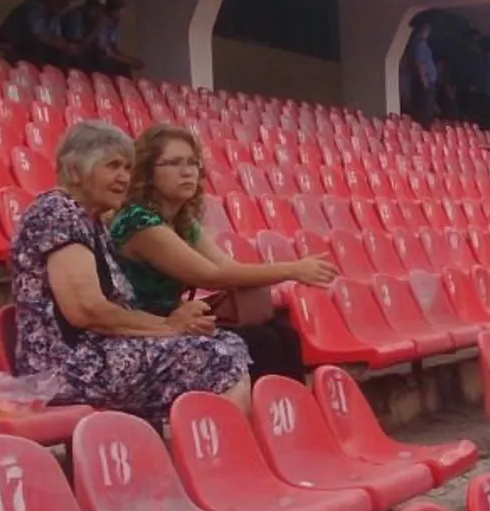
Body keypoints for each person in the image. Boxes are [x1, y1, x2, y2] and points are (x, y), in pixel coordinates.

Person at [9, 121, 252, 425]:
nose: (124, 177)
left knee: (228, 344)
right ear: (73, 171)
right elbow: (86, 310)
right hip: (65, 365)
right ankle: (215, 450)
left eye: (127, 167)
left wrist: (175, 323)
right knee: (217, 358)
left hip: (100, 350)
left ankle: (214, 446)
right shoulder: (56, 214)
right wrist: (169, 326)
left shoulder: (90, 220)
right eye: (112, 166)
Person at [108, 124, 335, 382]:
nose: (187, 172)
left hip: (175, 319)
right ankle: (263, 407)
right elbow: (212, 276)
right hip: (142, 328)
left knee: (285, 335)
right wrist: (293, 270)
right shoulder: (138, 221)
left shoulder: (182, 221)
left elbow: (225, 266)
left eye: (192, 163)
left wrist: (290, 270)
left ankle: (289, 406)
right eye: (173, 163)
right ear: (147, 172)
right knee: (260, 342)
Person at [0, 0, 78, 67]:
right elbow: (39, 35)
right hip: (11, 45)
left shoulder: (55, 15)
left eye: (65, 3)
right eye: (61, 2)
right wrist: (64, 45)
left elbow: (57, 38)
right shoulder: (35, 6)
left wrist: (67, 46)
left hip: (27, 49)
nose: (63, 6)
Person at [406, 21, 438, 130]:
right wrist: (424, 79)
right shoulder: (420, 44)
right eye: (426, 29)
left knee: (428, 106)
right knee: (425, 107)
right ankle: (425, 129)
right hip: (425, 81)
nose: (428, 32)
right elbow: (419, 63)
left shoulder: (422, 43)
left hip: (428, 80)